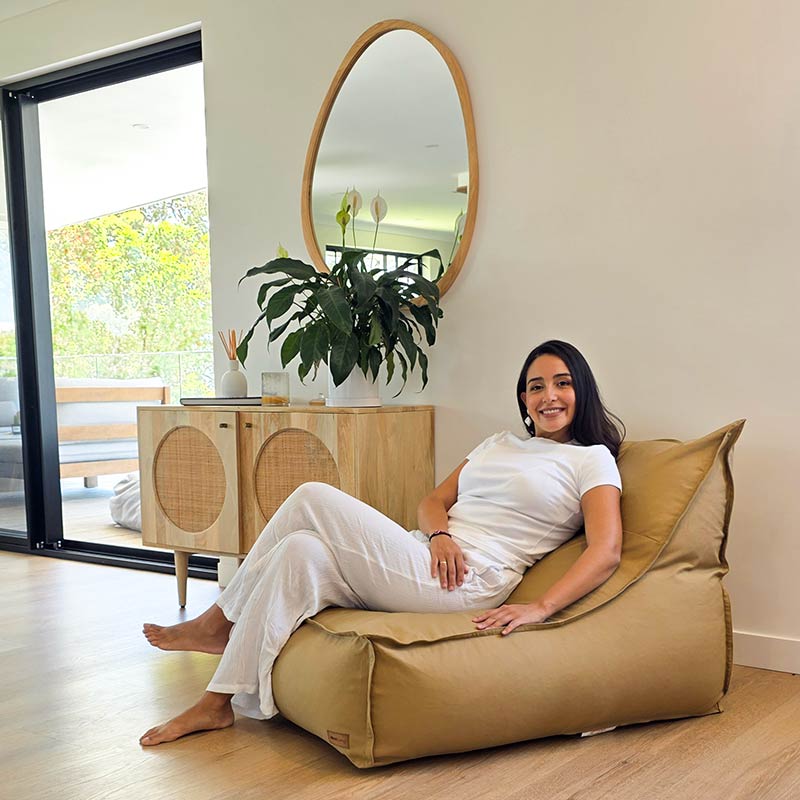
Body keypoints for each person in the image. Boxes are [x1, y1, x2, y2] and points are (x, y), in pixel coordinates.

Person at [139, 339, 624, 746]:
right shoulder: (498, 443)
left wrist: (540, 607)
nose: (548, 396)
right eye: (536, 386)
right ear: (523, 397)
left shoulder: (591, 460)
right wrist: (439, 535)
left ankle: (215, 623)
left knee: (311, 496)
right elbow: (432, 501)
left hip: (468, 579)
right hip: (427, 553)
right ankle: (216, 703)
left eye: (562, 383)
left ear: (581, 390)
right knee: (298, 550)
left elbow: (606, 550)